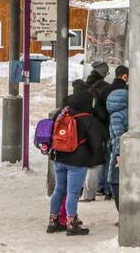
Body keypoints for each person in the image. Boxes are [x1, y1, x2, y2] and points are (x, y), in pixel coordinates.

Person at [46, 90, 104, 236]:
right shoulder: (87, 118)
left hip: (58, 157)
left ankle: (53, 221)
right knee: (72, 192)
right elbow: (96, 143)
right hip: (77, 161)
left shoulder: (63, 113)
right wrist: (94, 158)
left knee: (59, 189)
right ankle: (72, 223)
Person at [82, 61, 110, 202]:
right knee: (102, 158)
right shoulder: (104, 87)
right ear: (104, 73)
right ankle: (103, 187)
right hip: (100, 126)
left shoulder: (85, 85)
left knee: (88, 157)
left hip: (84, 126)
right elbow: (105, 111)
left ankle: (87, 189)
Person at [107, 88, 129, 211]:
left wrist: (118, 155)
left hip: (119, 153)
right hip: (132, 152)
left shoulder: (116, 116)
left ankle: (122, 212)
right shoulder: (133, 112)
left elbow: (119, 137)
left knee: (115, 182)